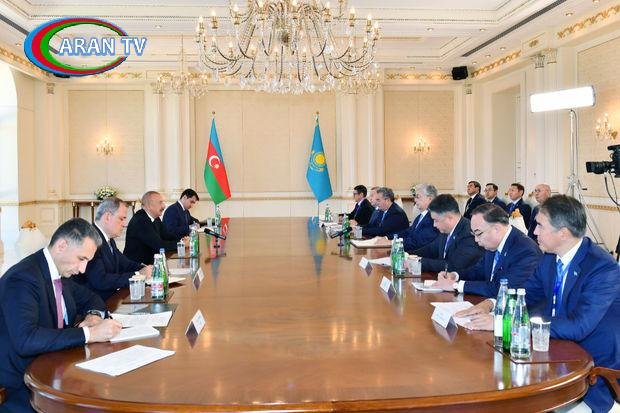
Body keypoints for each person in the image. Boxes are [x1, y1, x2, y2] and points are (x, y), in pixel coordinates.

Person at [456, 195, 620, 413]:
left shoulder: (602, 268)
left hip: (593, 371)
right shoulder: (550, 257)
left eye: (540, 226)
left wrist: (504, 324)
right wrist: (494, 306)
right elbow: (527, 294)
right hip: (555, 351)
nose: (534, 231)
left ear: (563, 233)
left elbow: (578, 326)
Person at [0, 218, 122, 412]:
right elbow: (26, 339)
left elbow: (92, 298)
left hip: (57, 368)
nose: (82, 269)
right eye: (81, 259)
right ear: (61, 246)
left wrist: (93, 316)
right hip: (24, 385)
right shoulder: (23, 278)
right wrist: (90, 334)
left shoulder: (59, 272)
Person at [432, 203, 542, 297]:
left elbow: (503, 289)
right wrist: (454, 276)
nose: (476, 239)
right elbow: (478, 271)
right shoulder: (493, 244)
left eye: (478, 233)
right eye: (474, 234)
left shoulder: (525, 250)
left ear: (496, 229)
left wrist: (456, 286)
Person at [78, 197, 152, 301]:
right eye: (121, 219)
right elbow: (101, 280)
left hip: (112, 297)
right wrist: (138, 275)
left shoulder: (108, 238)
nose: (124, 224)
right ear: (107, 217)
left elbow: (125, 263)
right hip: (97, 303)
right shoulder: (90, 240)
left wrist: (146, 268)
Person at [412, 194, 483, 272]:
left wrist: (418, 261)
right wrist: (408, 256)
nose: (434, 225)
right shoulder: (445, 230)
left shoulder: (468, 233)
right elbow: (430, 249)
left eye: (436, 220)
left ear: (449, 218)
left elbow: (453, 266)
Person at [124, 191, 181, 265]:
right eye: (160, 203)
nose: (164, 206)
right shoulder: (141, 221)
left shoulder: (156, 218)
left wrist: (182, 240)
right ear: (150, 206)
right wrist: (181, 244)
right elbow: (160, 246)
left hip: (150, 264)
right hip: (136, 267)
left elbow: (167, 236)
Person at [397, 183, 440, 252]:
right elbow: (408, 232)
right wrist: (388, 238)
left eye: (418, 197)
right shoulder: (420, 216)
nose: (415, 200)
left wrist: (393, 243)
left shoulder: (433, 218)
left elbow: (417, 242)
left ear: (430, 199)